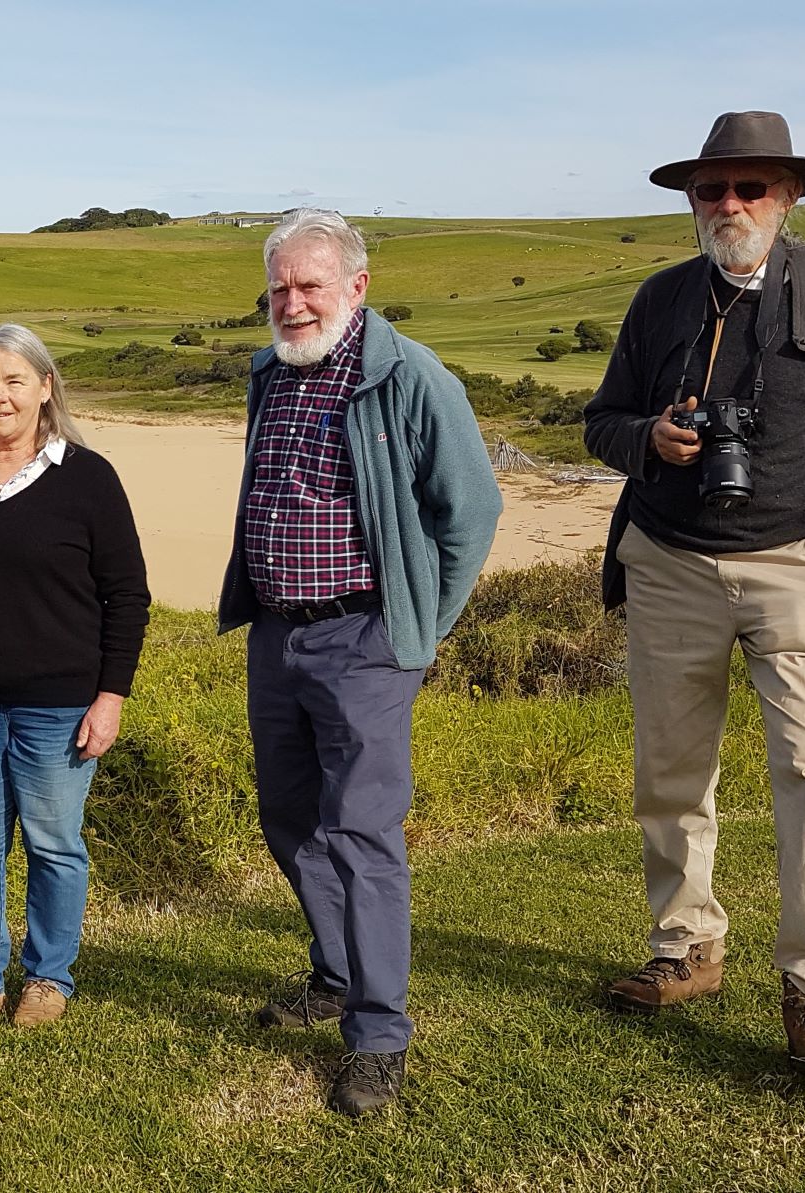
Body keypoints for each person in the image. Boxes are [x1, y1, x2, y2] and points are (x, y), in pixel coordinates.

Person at [583, 112, 805, 1080]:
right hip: (667, 560)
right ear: (691, 200)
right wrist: (648, 436)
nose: (728, 206)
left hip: (799, 562)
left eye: (750, 188)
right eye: (711, 190)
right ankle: (686, 941)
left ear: (789, 196)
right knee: (670, 770)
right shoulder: (659, 299)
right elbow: (598, 421)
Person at [217, 209, 501, 1115]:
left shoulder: (410, 377)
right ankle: (335, 973)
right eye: (280, 288)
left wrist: (417, 632)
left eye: (310, 285)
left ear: (356, 287)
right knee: (288, 813)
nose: (293, 304)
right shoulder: (270, 370)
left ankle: (378, 1033)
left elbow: (474, 511)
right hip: (277, 635)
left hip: (365, 641)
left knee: (366, 834)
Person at [0, 323, 150, 1033]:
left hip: (60, 705)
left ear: (46, 388)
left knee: (54, 843)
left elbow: (127, 595)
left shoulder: (88, 477)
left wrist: (110, 696)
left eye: (15, 380)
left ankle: (48, 977)